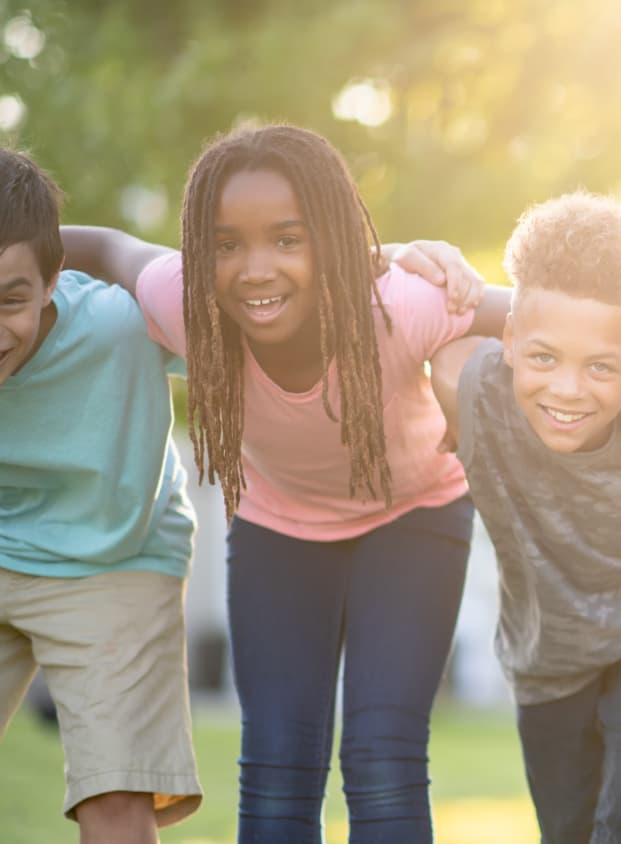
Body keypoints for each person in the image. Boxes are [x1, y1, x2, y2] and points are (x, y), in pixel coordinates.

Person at [60, 123, 506, 844]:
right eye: (227, 244)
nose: (253, 269)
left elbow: (542, 318)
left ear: (331, 241)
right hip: (278, 529)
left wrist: (462, 368)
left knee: (383, 756)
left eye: (288, 239)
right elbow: (108, 247)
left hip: (415, 519)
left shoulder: (401, 302)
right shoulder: (184, 301)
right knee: (275, 766)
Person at [427, 191, 621, 843]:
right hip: (547, 646)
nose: (567, 390)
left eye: (601, 366)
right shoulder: (466, 386)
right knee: (566, 830)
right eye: (544, 358)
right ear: (509, 339)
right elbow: (410, 297)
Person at [0, 146, 200, 841]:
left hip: (116, 554)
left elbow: (257, 321)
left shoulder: (118, 324)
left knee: (113, 796)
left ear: (54, 280)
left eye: (11, 299)